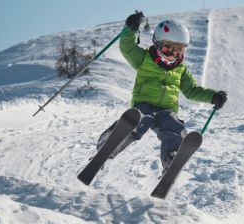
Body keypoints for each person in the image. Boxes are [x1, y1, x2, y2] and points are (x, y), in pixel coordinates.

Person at [96, 12, 227, 174]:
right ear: (157, 44)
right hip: (143, 105)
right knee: (137, 121)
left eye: (179, 50)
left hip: (166, 110)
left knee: (175, 128)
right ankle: (109, 144)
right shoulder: (144, 58)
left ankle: (171, 158)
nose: (173, 54)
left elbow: (192, 90)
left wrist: (213, 96)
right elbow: (127, 47)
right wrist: (130, 29)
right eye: (168, 48)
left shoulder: (181, 70)